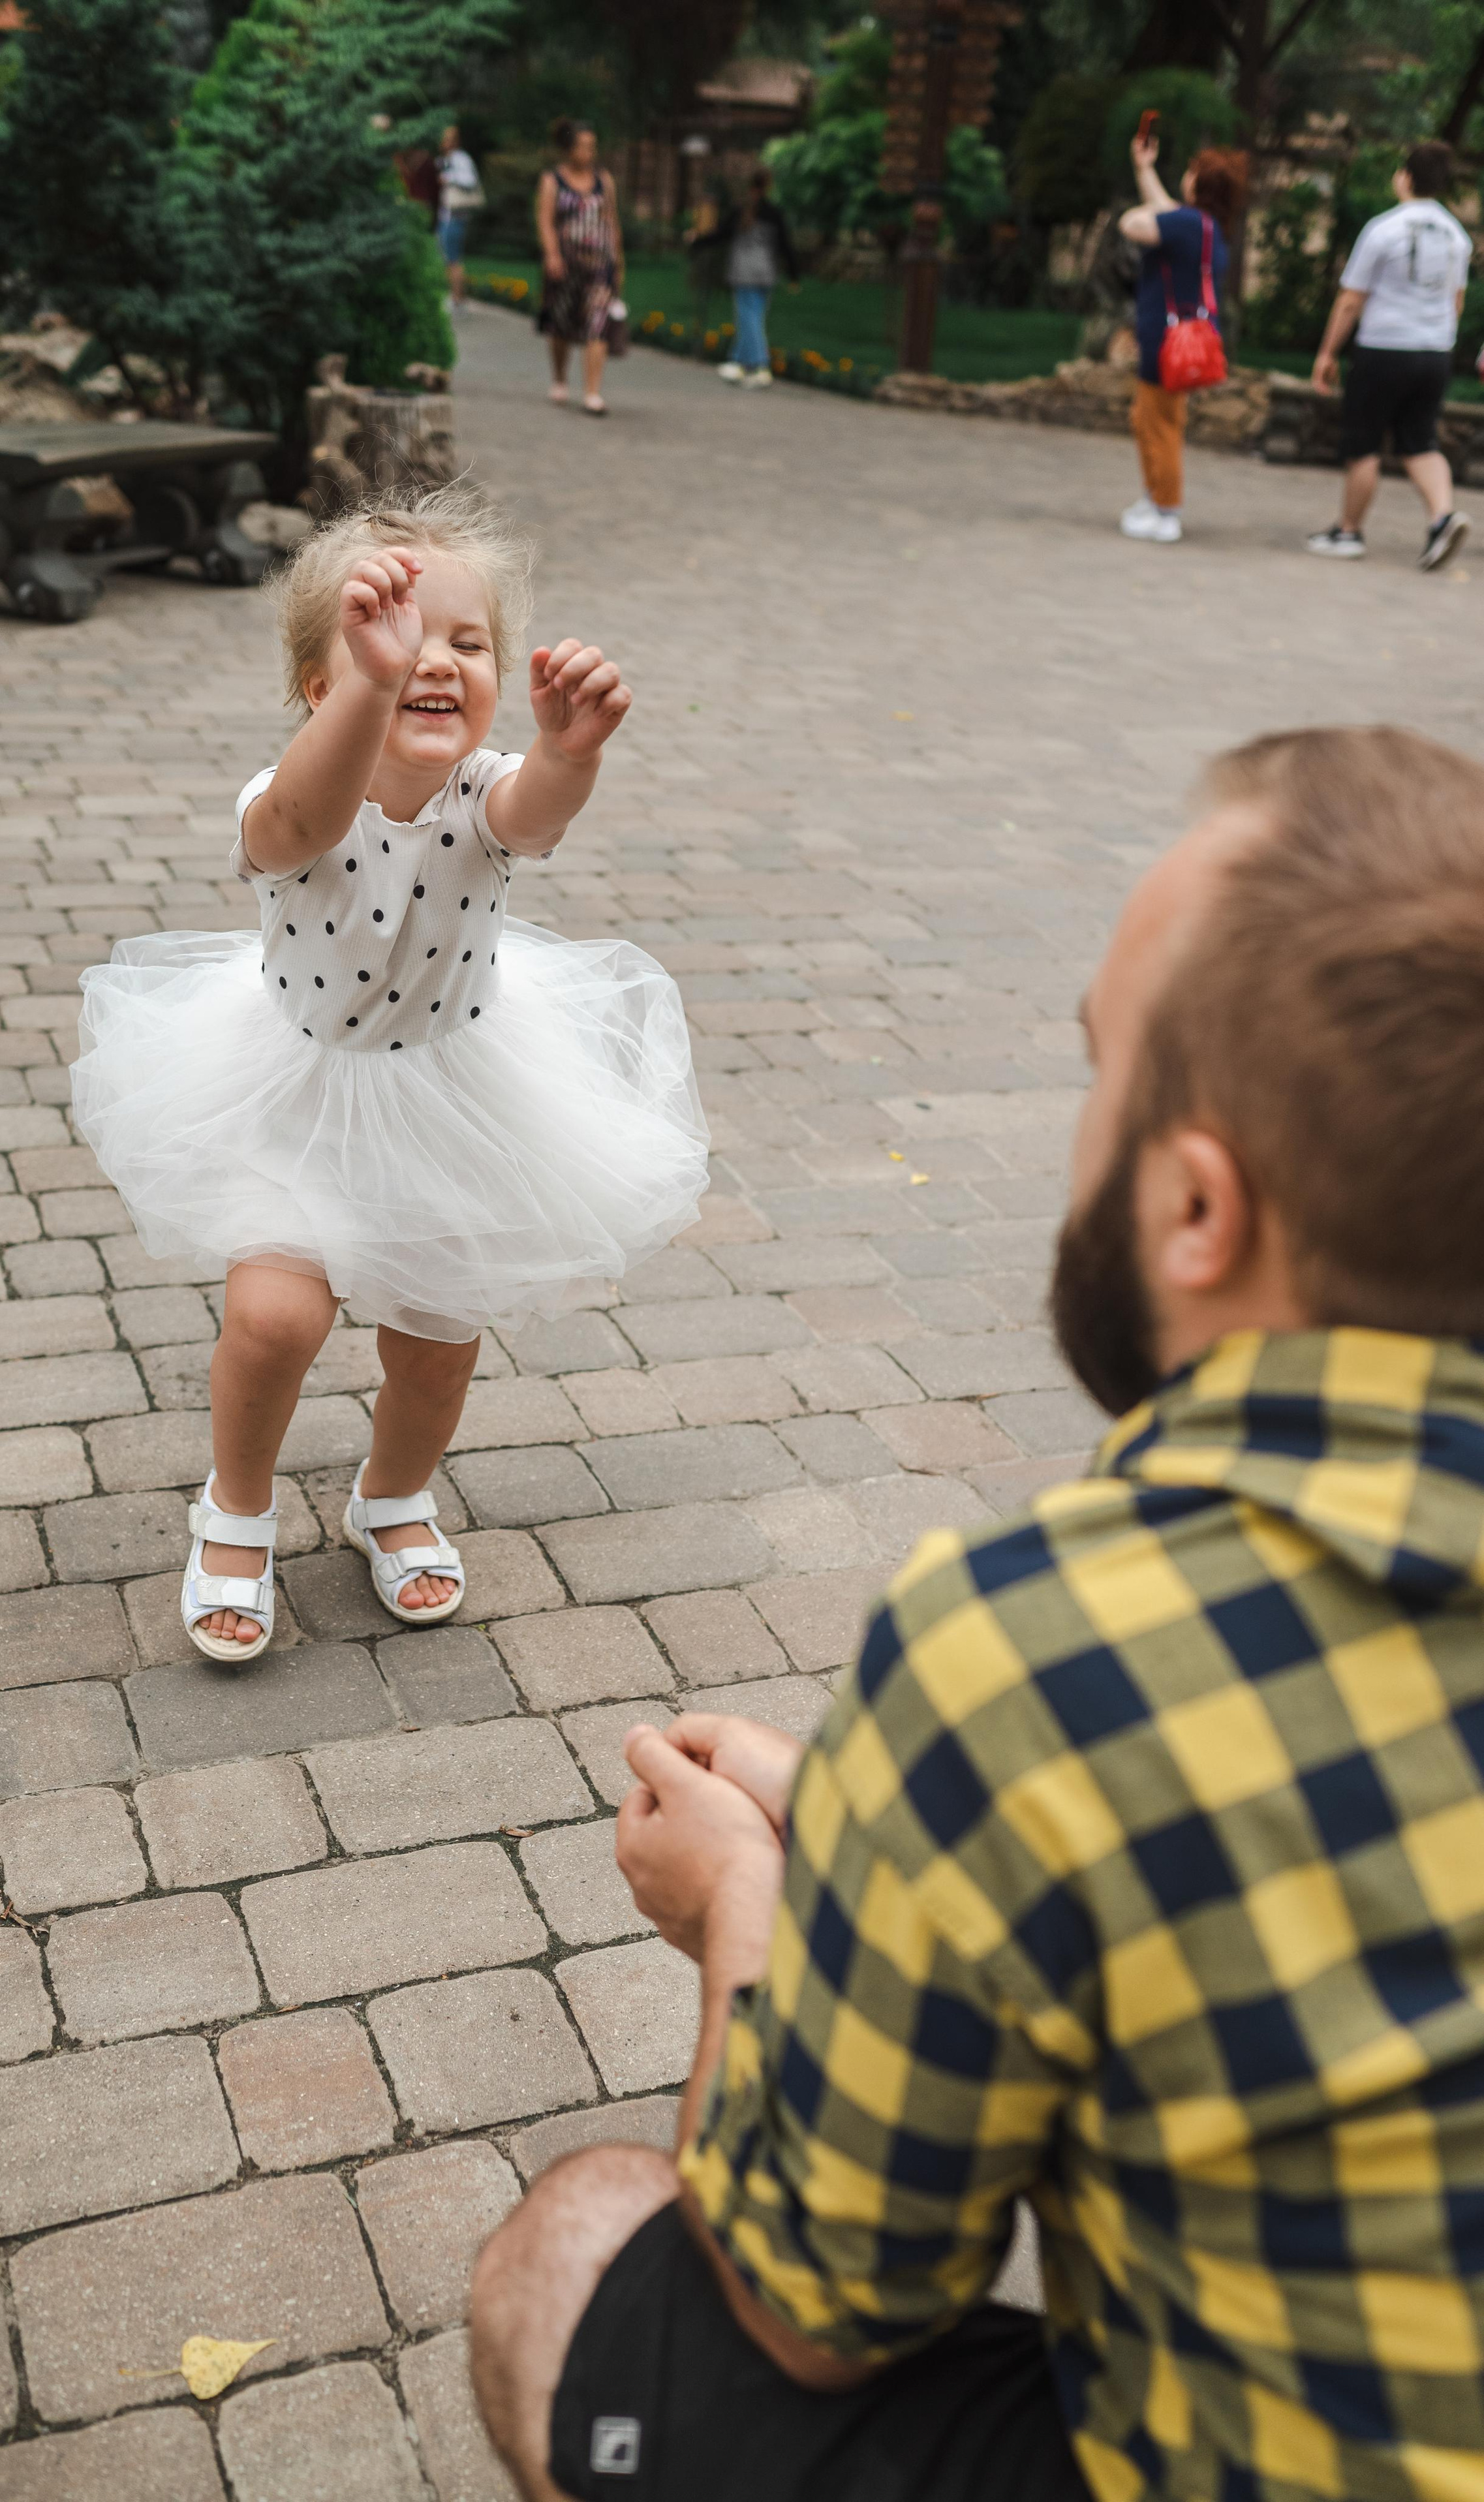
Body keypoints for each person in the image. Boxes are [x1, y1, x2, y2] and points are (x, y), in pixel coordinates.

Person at [473, 722, 1484, 2502]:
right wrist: (889, 1819)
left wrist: (748, 1903)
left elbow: (814, 2306)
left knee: (578, 2249)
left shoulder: (1029, 1654)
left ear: (1193, 1205)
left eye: (1100, 1071)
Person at [72, 487, 706, 1660]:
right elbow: (304, 819)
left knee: (437, 1340)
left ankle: (393, 1494)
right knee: (272, 1319)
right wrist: (370, 688)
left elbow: (536, 812)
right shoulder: (287, 802)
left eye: (469, 645)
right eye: (395, 645)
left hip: (452, 1095)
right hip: (292, 1091)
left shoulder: (483, 795)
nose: (434, 663)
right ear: (321, 686)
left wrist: (572, 752)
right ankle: (239, 1505)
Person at [1306, 140, 1473, 570]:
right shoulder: (1457, 235)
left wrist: (1328, 352)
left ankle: (1348, 531)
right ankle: (1442, 518)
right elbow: (1457, 302)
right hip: (1435, 352)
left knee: (1363, 442)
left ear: (1406, 177)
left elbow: (1350, 300)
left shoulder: (1384, 228)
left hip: (1385, 348)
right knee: (1420, 440)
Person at [1116, 136, 1247, 543]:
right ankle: (1155, 496)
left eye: (1191, 173)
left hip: (1164, 341)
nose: (1185, 178)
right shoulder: (1206, 228)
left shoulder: (1188, 224)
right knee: (1150, 419)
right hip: (1183, 340)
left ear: (1199, 185)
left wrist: (1134, 207)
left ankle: (1166, 510)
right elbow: (1166, 211)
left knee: (1160, 425)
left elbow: (1134, 223)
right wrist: (1144, 169)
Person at [536, 120, 623, 416]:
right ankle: (560, 377)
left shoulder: (604, 180)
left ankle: (592, 392)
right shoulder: (553, 181)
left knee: (598, 324)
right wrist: (552, 255)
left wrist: (618, 260)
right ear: (568, 148)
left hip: (598, 266)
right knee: (561, 324)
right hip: (566, 265)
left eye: (592, 146)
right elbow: (546, 221)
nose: (588, 152)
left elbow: (612, 221)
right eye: (582, 145)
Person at [700, 168, 799, 389]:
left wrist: (698, 241)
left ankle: (759, 366)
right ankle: (738, 362)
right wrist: (793, 274)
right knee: (753, 318)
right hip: (766, 273)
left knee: (749, 319)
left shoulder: (741, 210)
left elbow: (720, 234)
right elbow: (785, 245)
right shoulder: (774, 212)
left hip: (744, 273)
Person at [437, 123, 483, 312]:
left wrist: (449, 178)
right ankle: (457, 298)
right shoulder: (445, 159)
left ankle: (458, 300)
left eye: (448, 139)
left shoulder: (460, 159)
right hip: (446, 215)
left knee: (453, 258)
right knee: (449, 257)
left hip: (456, 215)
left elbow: (469, 181)